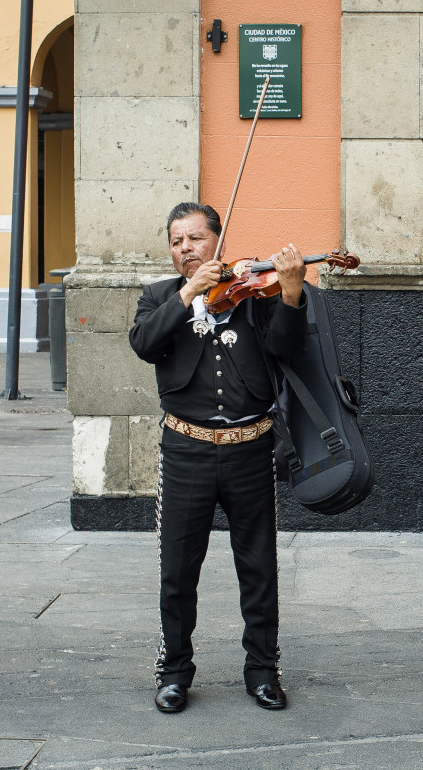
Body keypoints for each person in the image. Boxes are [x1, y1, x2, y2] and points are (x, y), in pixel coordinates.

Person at [129, 202, 308, 713]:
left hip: (251, 449)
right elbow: (143, 343)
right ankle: (174, 673)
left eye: (194, 239)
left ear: (217, 241)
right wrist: (188, 292)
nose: (185, 248)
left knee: (259, 566)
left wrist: (291, 292)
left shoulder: (255, 291)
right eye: (176, 241)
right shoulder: (160, 296)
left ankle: (263, 671)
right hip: (184, 450)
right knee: (178, 571)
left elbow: (288, 349)